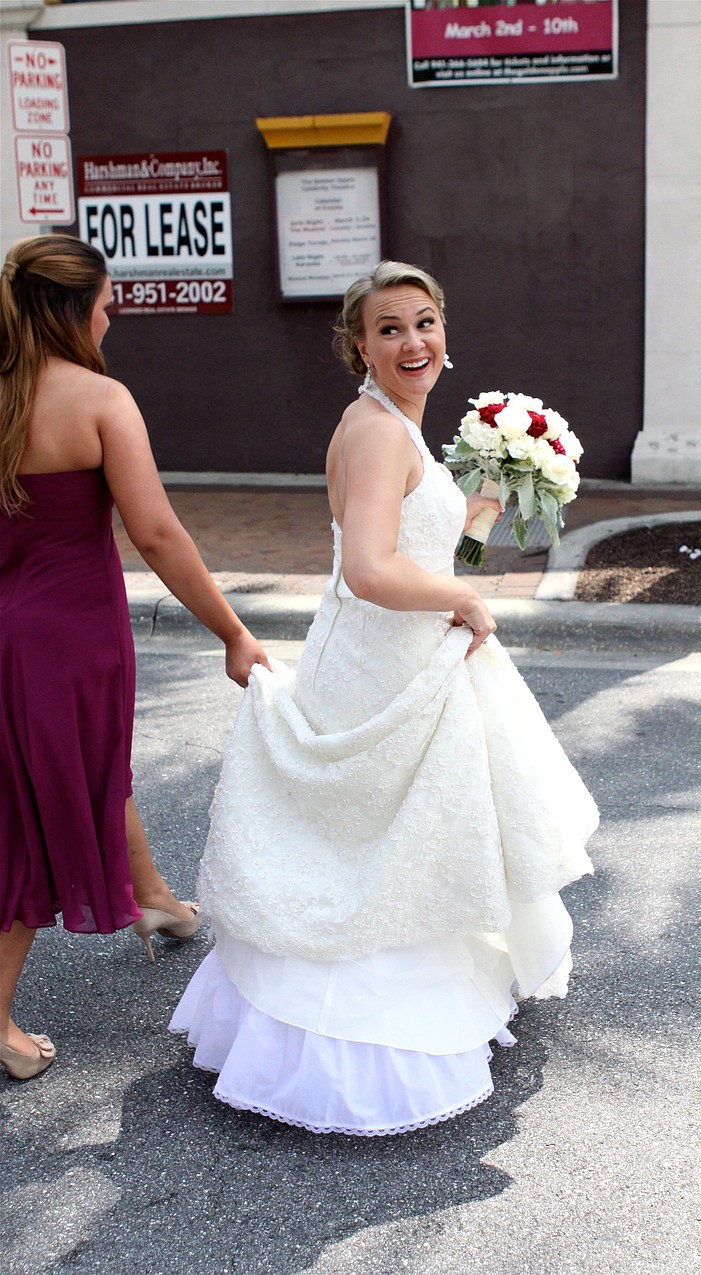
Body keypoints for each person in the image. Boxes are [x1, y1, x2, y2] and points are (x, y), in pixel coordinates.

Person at [170, 260, 598, 1134]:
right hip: (377, 666)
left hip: (416, 658)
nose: (414, 341)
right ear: (358, 346)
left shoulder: (402, 429)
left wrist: (478, 517)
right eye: (390, 327)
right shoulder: (372, 431)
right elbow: (368, 571)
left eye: (426, 321)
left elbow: (430, 561)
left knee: (415, 844)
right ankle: (346, 1045)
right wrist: (464, 601)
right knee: (373, 852)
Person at [0, 234, 269, 1082]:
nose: (113, 314)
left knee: (82, 774)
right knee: (33, 820)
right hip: (70, 642)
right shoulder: (100, 400)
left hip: (8, 629)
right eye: (108, 300)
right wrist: (232, 629)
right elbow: (155, 532)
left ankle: (155, 901)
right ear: (73, 308)